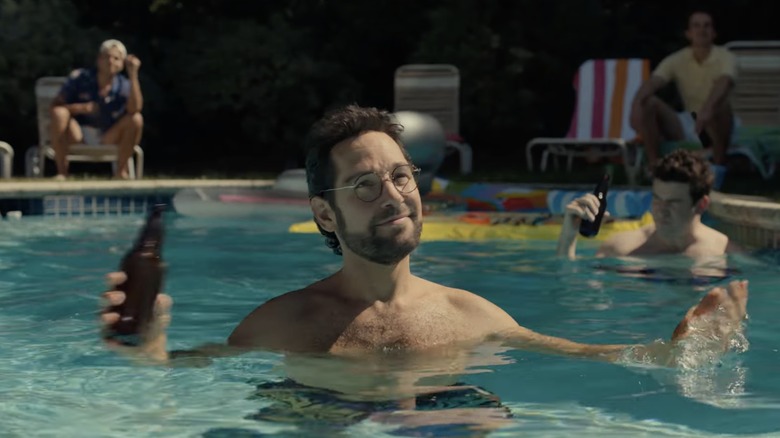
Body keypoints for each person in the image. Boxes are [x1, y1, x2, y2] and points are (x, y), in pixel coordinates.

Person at [100, 105, 747, 404]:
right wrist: (148, 350)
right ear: (324, 213)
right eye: (364, 184)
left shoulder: (470, 313)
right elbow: (176, 387)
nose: (393, 195)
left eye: (401, 176)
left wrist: (682, 351)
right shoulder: (283, 325)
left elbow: (591, 357)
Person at [557, 149, 740, 259]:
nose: (661, 210)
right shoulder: (621, 249)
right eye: (657, 199)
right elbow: (576, 294)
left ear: (701, 204)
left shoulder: (724, 252)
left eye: (673, 203)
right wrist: (567, 239)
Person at [630, 9, 736, 179]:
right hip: (689, 121)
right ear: (688, 33)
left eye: (706, 26)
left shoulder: (725, 57)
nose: (701, 30)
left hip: (718, 122)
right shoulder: (677, 59)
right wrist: (636, 104)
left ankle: (718, 167)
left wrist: (707, 109)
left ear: (714, 33)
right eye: (696, 26)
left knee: (720, 105)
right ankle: (655, 167)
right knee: (648, 103)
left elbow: (725, 81)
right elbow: (654, 82)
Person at [50, 39, 143, 179]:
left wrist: (133, 74)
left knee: (136, 119)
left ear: (122, 64)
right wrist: (80, 108)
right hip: (77, 133)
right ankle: (62, 173)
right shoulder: (80, 77)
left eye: (116, 58)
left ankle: (121, 172)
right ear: (99, 60)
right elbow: (55, 105)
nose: (110, 61)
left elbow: (135, 109)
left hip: (108, 135)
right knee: (59, 113)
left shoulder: (124, 84)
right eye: (107, 57)